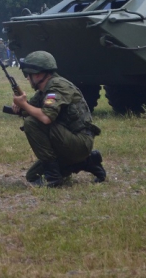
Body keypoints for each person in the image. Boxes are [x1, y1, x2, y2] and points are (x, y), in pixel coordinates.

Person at [12, 51, 106, 187]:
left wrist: (24, 105)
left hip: (79, 141)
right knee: (32, 176)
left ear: (38, 74)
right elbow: (31, 109)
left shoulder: (58, 87)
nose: (27, 78)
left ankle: (54, 178)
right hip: (66, 140)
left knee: (32, 123)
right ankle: (88, 162)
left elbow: (45, 117)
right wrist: (20, 106)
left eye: (28, 74)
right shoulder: (45, 90)